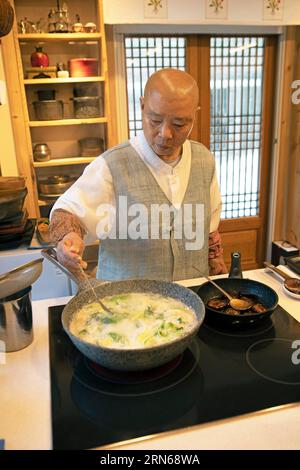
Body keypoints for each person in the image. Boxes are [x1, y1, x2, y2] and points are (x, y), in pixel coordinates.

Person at [50, 68, 227, 281]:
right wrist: (68, 239)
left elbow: (210, 225)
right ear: (142, 106)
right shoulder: (113, 164)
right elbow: (66, 211)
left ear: (194, 115)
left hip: (190, 298)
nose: (165, 134)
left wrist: (215, 258)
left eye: (179, 124)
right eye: (155, 120)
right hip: (124, 304)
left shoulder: (204, 160)